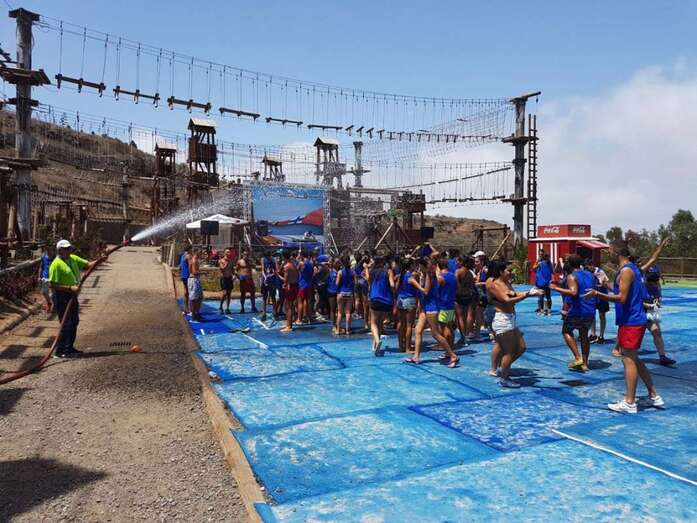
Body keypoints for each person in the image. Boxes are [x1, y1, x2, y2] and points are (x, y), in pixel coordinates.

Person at [584, 240, 664, 413]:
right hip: (632, 319)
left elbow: (622, 297)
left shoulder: (626, 270)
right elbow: (623, 289)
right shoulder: (633, 268)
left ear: (616, 252)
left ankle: (630, 403)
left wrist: (597, 294)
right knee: (634, 358)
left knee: (628, 360)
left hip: (631, 321)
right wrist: (606, 285)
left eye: (609, 251)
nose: (608, 254)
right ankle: (653, 395)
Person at [486, 259, 541, 388]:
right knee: (508, 352)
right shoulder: (495, 283)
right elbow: (507, 300)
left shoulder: (506, 282)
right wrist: (527, 295)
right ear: (501, 271)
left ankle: (503, 368)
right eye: (509, 270)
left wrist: (531, 293)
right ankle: (504, 377)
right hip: (502, 320)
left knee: (521, 347)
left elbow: (514, 294)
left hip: (510, 318)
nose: (512, 272)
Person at [48, 239, 103, 357]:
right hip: (61, 296)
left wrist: (100, 259)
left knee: (74, 321)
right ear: (59, 250)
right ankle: (61, 351)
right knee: (66, 323)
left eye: (69, 248)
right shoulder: (56, 264)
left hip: (72, 295)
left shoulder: (73, 258)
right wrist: (69, 288)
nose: (69, 250)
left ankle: (69, 348)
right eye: (66, 249)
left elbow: (88, 265)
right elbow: (52, 285)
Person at [406, 257, 459, 367]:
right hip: (425, 306)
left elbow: (425, 291)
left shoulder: (429, 275)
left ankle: (452, 355)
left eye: (419, 266)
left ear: (423, 266)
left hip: (432, 307)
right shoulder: (426, 275)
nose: (418, 268)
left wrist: (414, 283)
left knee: (435, 333)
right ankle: (416, 356)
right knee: (418, 330)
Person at [551, 254, 596, 371]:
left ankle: (578, 357)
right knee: (584, 335)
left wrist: (555, 288)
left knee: (566, 331)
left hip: (577, 310)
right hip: (590, 309)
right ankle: (585, 364)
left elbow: (573, 292)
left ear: (569, 264)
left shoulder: (572, 276)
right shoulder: (590, 275)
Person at [366, 257, 396, 356]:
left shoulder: (372, 272)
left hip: (375, 298)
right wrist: (394, 293)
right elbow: (392, 285)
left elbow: (369, 284)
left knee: (373, 323)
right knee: (379, 323)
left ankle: (377, 341)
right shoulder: (388, 272)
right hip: (387, 300)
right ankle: (375, 345)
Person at [396, 257, 419, 353]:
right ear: (410, 265)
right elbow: (418, 289)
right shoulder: (412, 276)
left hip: (400, 299)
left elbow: (396, 288)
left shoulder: (400, 276)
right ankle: (408, 348)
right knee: (409, 325)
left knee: (401, 323)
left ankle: (400, 345)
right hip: (410, 299)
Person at [586, 258, 611, 344]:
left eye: (588, 267)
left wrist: (602, 283)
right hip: (593, 297)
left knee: (602, 315)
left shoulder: (600, 272)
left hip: (601, 296)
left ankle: (601, 336)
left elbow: (605, 282)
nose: (588, 269)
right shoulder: (588, 273)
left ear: (592, 265)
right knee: (591, 315)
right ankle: (593, 334)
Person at [436, 257, 458, 350]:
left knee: (444, 327)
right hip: (450, 303)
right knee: (449, 326)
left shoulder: (441, 277)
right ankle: (451, 346)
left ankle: (447, 348)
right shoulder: (453, 276)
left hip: (443, 304)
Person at [454, 256, 475, 345]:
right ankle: (465, 335)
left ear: (461, 262)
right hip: (468, 295)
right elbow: (471, 285)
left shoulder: (458, 272)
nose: (456, 263)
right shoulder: (470, 273)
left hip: (459, 296)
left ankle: (463, 338)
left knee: (460, 317)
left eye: (457, 261)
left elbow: (456, 284)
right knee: (465, 316)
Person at [279, 251, 299, 332]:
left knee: (288, 306)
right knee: (290, 305)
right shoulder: (293, 264)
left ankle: (289, 326)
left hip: (290, 286)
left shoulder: (286, 266)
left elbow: (285, 280)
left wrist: (278, 276)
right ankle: (289, 323)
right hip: (295, 285)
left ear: (283, 257)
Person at [335, 256, 354, 335]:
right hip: (349, 292)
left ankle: (338, 330)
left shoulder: (340, 272)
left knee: (340, 312)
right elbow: (355, 282)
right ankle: (347, 330)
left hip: (341, 292)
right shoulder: (352, 271)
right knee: (348, 312)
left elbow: (337, 283)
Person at [532, 251, 553, 315]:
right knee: (548, 297)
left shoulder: (541, 263)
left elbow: (533, 268)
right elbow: (552, 271)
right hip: (547, 282)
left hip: (541, 282)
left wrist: (537, 262)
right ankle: (548, 311)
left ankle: (541, 310)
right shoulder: (549, 263)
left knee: (541, 296)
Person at [297, 251, 314, 324]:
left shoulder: (302, 263)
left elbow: (297, 270)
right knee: (308, 302)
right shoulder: (311, 263)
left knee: (300, 302)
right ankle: (309, 318)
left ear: (301, 255)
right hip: (309, 285)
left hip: (302, 285)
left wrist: (298, 260)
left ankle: (299, 319)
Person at [188, 247, 203, 321]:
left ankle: (196, 313)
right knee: (194, 299)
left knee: (199, 297)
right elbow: (194, 272)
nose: (201, 253)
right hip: (194, 280)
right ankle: (194, 316)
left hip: (195, 280)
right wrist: (203, 272)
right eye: (200, 252)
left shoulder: (194, 260)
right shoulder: (194, 260)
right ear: (196, 252)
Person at [38, 244, 55, 313]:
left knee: (53, 293)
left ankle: (54, 306)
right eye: (47, 249)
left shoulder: (55, 258)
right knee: (44, 292)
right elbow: (41, 267)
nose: (49, 251)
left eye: (50, 249)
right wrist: (39, 276)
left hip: (53, 277)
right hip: (45, 276)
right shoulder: (44, 257)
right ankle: (49, 303)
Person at [218, 248, 235, 314]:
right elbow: (222, 269)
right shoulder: (221, 261)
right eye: (227, 252)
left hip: (229, 278)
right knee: (224, 293)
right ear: (225, 253)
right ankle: (221, 306)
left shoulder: (231, 261)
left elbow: (232, 270)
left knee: (229, 293)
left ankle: (227, 308)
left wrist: (235, 275)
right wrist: (226, 263)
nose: (229, 253)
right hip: (224, 278)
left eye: (229, 252)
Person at [327, 258, 340, 328]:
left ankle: (338, 325)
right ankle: (334, 325)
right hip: (331, 291)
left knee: (339, 310)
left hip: (339, 292)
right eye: (336, 262)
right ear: (333, 263)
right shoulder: (330, 271)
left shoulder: (341, 271)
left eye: (339, 262)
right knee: (333, 309)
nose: (338, 264)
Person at [179, 246, 191, 314]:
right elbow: (190, 266)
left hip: (183, 275)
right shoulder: (188, 256)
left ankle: (185, 307)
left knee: (186, 291)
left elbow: (180, 266)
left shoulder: (182, 256)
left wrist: (180, 274)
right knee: (188, 292)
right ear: (189, 249)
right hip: (187, 275)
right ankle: (187, 308)